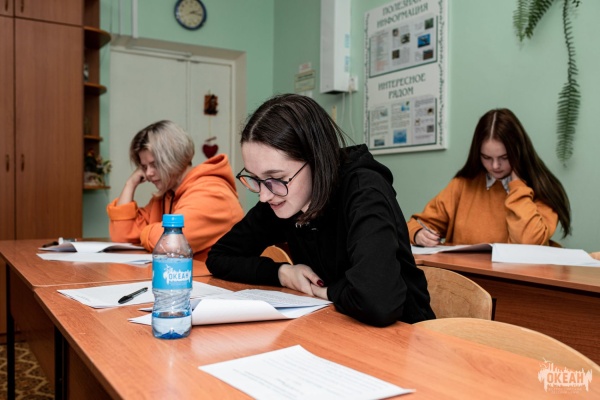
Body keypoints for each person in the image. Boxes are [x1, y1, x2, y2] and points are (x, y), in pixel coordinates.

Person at [206, 94, 435, 327]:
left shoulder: (364, 191)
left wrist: (326, 292)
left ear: (316, 160)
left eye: (276, 178)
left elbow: (377, 302)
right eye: (255, 179)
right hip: (337, 324)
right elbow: (220, 257)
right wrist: (282, 274)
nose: (264, 195)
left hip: (406, 333)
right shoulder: (282, 196)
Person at [407, 108, 571, 247]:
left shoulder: (542, 188)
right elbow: (414, 225)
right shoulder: (462, 185)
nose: (495, 166)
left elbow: (528, 244)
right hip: (465, 275)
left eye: (504, 157)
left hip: (518, 276)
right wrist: (418, 234)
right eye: (486, 157)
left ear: (519, 152)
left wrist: (517, 186)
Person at [107, 120, 244, 261]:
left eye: (155, 164)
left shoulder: (213, 193)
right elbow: (122, 235)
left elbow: (170, 243)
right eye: (144, 167)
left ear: (174, 158)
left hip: (215, 276)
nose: (148, 173)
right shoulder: (167, 194)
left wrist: (144, 232)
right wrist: (130, 184)